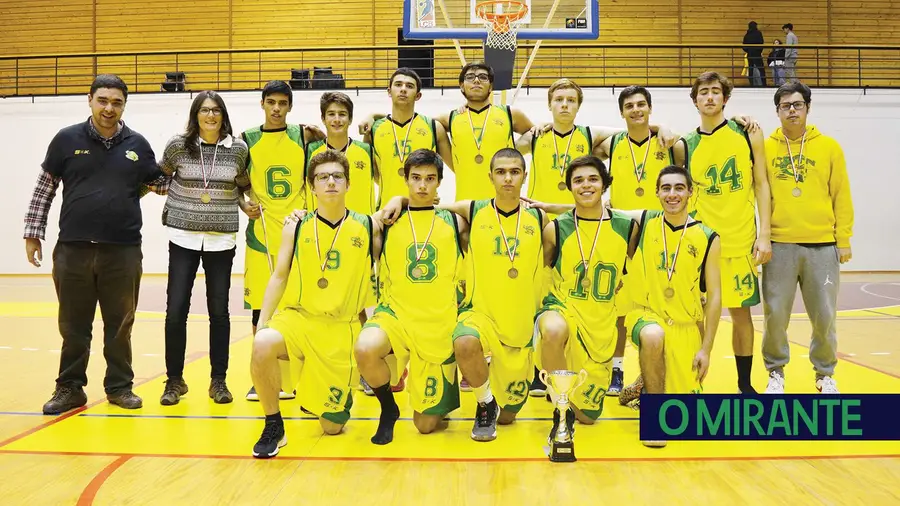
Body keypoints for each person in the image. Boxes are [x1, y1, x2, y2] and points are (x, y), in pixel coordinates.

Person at [24, 74, 168, 414]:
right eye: (102, 100)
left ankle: (119, 387)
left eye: (116, 102)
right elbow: (45, 188)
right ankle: (70, 388)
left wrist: (184, 163)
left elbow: (160, 184)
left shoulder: (138, 145)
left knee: (120, 325)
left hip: (123, 250)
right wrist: (33, 232)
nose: (109, 108)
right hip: (73, 249)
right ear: (89, 99)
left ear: (124, 106)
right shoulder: (66, 139)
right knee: (73, 325)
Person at [249, 150, 391, 458]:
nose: (330, 182)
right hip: (300, 320)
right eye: (322, 177)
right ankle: (273, 424)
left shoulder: (368, 226)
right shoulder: (296, 226)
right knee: (263, 343)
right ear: (311, 186)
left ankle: (320, 395)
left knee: (331, 427)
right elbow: (279, 276)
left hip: (341, 329)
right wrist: (263, 322)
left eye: (337, 176)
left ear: (348, 184)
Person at [355, 149, 466, 445]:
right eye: (415, 178)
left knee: (426, 425)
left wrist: (401, 199)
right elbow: (354, 225)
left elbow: (489, 211)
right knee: (365, 348)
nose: (422, 186)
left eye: (430, 179)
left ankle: (438, 397)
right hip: (396, 317)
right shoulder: (388, 222)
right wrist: (397, 201)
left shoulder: (454, 222)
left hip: (437, 327)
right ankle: (388, 408)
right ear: (404, 178)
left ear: (440, 182)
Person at [673, 71, 772, 394]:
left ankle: (745, 384)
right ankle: (692, 383)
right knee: (696, 315)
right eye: (704, 92)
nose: (710, 97)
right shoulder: (685, 144)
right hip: (702, 244)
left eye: (716, 92)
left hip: (741, 239)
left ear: (726, 98)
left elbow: (761, 185)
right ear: (695, 100)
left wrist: (765, 233)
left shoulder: (747, 134)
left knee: (742, 315)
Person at [158, 91, 253, 406]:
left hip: (221, 239)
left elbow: (241, 186)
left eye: (216, 111)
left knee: (219, 312)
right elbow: (160, 177)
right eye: (205, 110)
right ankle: (174, 380)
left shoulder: (238, 149)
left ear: (223, 115)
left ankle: (219, 381)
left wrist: (247, 204)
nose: (210, 116)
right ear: (195, 114)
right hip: (183, 236)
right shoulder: (177, 146)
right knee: (175, 311)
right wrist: (133, 193)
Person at [620, 165, 722, 447]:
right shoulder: (645, 221)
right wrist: (544, 206)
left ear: (691, 192)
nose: (672, 194)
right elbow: (589, 210)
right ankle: (652, 417)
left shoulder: (708, 236)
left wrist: (706, 349)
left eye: (679, 188)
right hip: (646, 316)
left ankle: (641, 385)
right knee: (654, 337)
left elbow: (714, 297)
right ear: (657, 193)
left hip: (686, 328)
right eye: (666, 188)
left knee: (685, 419)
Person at [762, 82, 853, 394]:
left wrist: (843, 239)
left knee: (825, 316)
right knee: (775, 315)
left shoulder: (829, 147)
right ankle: (776, 374)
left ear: (807, 108)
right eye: (785, 105)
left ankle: (825, 374)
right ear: (777, 111)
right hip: (779, 245)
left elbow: (841, 195)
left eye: (797, 104)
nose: (791, 110)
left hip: (822, 246)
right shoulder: (765, 147)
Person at [534, 155, 631, 429]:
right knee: (552, 330)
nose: (586, 185)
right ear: (569, 187)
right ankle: (559, 408)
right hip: (563, 310)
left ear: (604, 185)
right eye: (578, 180)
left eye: (593, 179)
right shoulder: (555, 229)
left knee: (588, 417)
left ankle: (573, 401)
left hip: (599, 325)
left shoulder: (626, 226)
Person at [591, 85, 675, 396]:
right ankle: (616, 369)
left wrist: (659, 128)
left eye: (641, 105)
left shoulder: (668, 142)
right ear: (622, 112)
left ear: (650, 108)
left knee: (659, 304)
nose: (636, 110)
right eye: (630, 106)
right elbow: (586, 136)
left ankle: (652, 375)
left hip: (658, 233)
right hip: (623, 232)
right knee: (620, 308)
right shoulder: (612, 144)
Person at [241, 80, 311, 402]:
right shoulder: (247, 140)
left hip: (297, 235)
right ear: (263, 104)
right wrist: (244, 204)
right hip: (261, 236)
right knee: (261, 311)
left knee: (297, 306)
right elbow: (238, 184)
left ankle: (298, 374)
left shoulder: (303, 135)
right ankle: (263, 377)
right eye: (271, 102)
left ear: (290, 106)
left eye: (283, 103)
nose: (277, 109)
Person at [437, 62, 535, 201]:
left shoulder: (510, 114)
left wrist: (514, 152)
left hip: (503, 204)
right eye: (470, 77)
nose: (476, 80)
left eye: (483, 77)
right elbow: (422, 125)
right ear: (461, 86)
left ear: (491, 86)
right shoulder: (451, 117)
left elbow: (536, 134)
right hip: (465, 205)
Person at [362, 68, 453, 206]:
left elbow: (458, 166)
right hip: (386, 210)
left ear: (418, 95)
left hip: (422, 210)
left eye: (409, 86)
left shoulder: (433, 128)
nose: (403, 89)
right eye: (398, 85)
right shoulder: (373, 130)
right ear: (389, 91)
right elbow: (373, 172)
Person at [743, 21, 767, 87]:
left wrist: (748, 50)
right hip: (757, 53)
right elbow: (761, 42)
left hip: (750, 53)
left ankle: (751, 84)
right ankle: (764, 84)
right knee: (761, 69)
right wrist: (759, 50)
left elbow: (744, 45)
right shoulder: (758, 33)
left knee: (751, 69)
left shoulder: (747, 34)